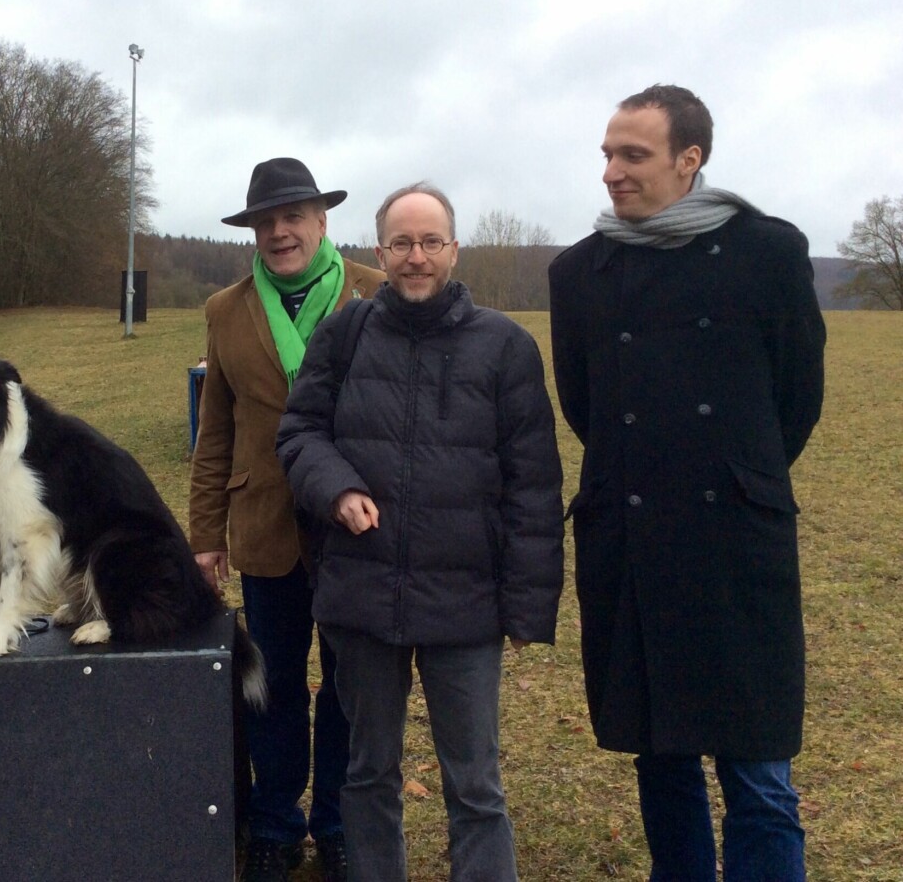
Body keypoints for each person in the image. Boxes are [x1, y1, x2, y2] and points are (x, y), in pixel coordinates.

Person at [548, 85, 826, 881]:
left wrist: (739, 477)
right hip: (632, 539)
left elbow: (794, 400)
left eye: (632, 155)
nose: (611, 172)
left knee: (758, 771)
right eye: (606, 153)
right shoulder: (579, 272)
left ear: (689, 159)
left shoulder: (766, 251)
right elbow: (585, 406)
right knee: (660, 756)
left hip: (738, 541)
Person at [277, 184, 564, 881]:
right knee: (369, 771)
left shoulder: (505, 346)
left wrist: (527, 606)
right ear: (379, 252)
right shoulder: (344, 334)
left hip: (465, 605)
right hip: (363, 596)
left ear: (454, 249)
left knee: (475, 784)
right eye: (401, 243)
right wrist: (336, 487)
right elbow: (299, 432)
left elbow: (534, 486)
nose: (416, 257)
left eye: (430, 242)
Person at [189, 157, 385, 882]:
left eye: (292, 216)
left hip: (353, 530)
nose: (279, 232)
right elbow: (215, 431)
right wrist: (205, 535)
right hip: (265, 526)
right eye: (265, 221)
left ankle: (336, 822)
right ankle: (276, 823)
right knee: (269, 688)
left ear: (322, 221)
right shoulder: (224, 310)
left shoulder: (376, 294)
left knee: (346, 687)